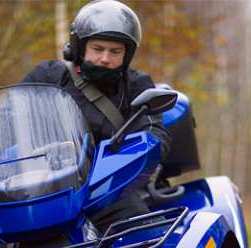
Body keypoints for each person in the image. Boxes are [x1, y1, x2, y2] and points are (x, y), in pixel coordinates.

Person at [22, 0, 171, 229]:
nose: (105, 58)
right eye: (97, 49)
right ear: (80, 47)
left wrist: (140, 154)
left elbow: (153, 132)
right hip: (46, 192)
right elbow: (5, 120)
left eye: (115, 51)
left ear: (127, 54)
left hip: (108, 193)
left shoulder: (136, 85)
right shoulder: (49, 77)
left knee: (144, 236)